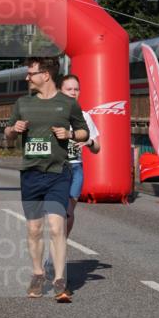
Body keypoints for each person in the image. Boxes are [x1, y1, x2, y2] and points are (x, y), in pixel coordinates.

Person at [3, 56, 88, 303]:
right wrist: (13, 130)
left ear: (46, 75)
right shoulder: (22, 103)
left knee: (56, 226)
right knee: (34, 229)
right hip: (30, 174)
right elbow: (7, 136)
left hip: (58, 174)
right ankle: (38, 274)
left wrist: (69, 133)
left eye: (31, 73)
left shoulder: (67, 103)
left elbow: (85, 132)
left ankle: (60, 281)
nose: (27, 77)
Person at [58, 74, 100, 241]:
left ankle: (57, 250)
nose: (73, 92)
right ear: (61, 92)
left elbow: (97, 148)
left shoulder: (85, 117)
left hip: (76, 169)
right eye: (69, 89)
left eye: (76, 89)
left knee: (68, 213)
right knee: (58, 214)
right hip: (57, 169)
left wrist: (89, 141)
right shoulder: (53, 115)